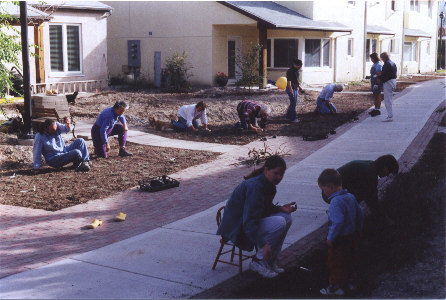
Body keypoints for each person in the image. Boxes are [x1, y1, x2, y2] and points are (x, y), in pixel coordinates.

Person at [217, 155, 297, 278]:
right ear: (266, 170)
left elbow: (261, 209)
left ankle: (269, 260)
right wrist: (263, 244)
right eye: (276, 173)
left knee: (287, 218)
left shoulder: (267, 184)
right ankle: (258, 261)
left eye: (281, 174)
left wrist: (279, 208)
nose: (279, 177)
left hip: (247, 224)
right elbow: (249, 222)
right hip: (237, 229)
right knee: (280, 221)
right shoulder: (255, 186)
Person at [318, 169, 364, 296]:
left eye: (323, 189)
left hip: (340, 239)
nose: (324, 193)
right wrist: (358, 229)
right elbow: (360, 213)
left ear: (330, 186)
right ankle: (351, 282)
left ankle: (335, 287)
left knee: (336, 262)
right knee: (351, 259)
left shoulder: (335, 202)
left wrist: (330, 238)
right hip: (352, 236)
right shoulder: (350, 196)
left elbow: (337, 222)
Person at [333, 155, 399, 227]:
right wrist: (386, 220)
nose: (387, 175)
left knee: (364, 192)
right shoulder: (370, 175)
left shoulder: (370, 165)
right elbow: (373, 203)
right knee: (365, 194)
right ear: (385, 168)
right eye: (389, 172)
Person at [379, 52, 397, 122]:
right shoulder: (392, 63)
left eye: (382, 58)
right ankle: (390, 115)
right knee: (389, 98)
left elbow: (385, 75)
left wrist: (380, 77)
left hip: (388, 82)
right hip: (393, 81)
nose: (382, 60)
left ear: (384, 58)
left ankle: (390, 116)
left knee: (387, 99)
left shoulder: (386, 64)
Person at [368, 53, 383, 117]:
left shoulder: (379, 64)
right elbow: (374, 73)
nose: (371, 60)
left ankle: (378, 108)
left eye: (371, 58)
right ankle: (375, 107)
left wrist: (377, 83)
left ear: (374, 58)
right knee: (375, 94)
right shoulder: (375, 64)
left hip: (377, 81)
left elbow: (379, 73)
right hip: (374, 81)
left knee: (377, 94)